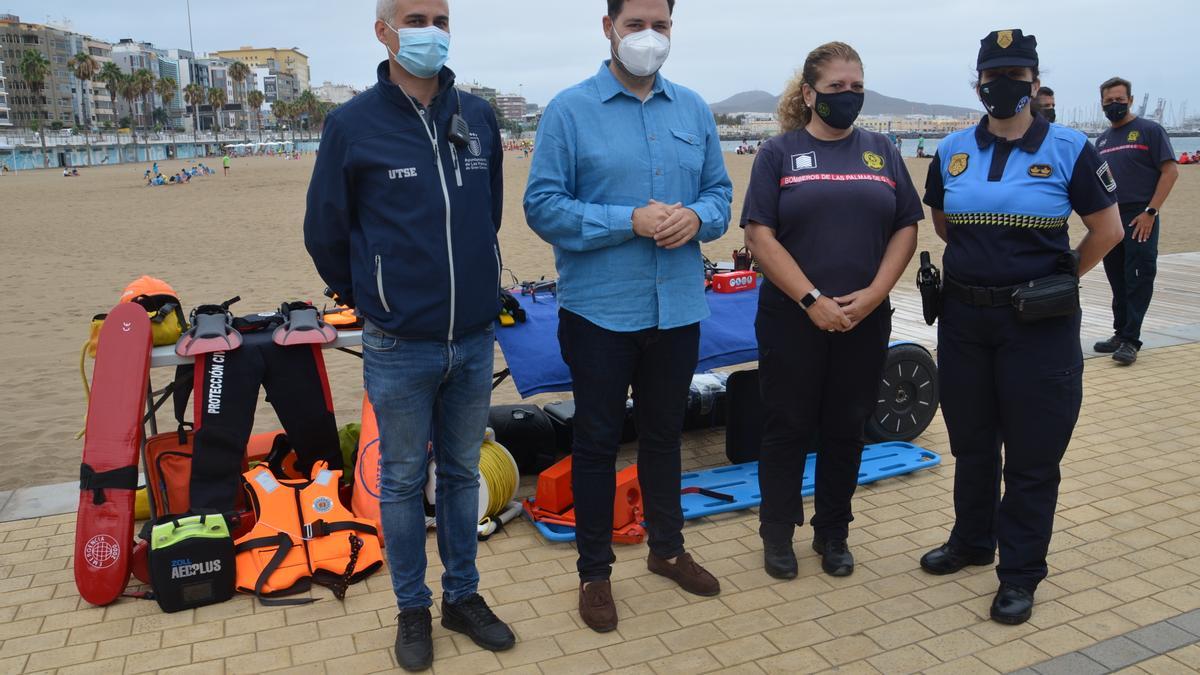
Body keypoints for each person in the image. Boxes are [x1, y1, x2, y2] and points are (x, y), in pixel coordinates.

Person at [303, 0, 513, 670]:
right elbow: (325, 230)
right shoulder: (351, 124)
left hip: (473, 336)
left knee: (457, 472)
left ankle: (463, 595)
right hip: (399, 341)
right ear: (384, 31)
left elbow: (489, 213)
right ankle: (412, 608)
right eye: (416, 16)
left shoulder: (477, 117)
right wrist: (374, 296)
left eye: (441, 18)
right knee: (398, 479)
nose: (431, 30)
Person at [524, 0, 732, 634]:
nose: (649, 36)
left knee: (666, 436)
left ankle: (668, 549)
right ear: (608, 27)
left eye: (660, 25)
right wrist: (626, 221)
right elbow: (542, 206)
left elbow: (721, 197)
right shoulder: (569, 110)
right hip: (599, 312)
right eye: (636, 23)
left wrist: (697, 218)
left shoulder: (694, 109)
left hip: (677, 308)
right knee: (595, 443)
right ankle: (594, 573)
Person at [919, 29, 1123, 625]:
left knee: (1033, 454)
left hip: (1038, 326)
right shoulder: (953, 147)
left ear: (1034, 81)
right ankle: (972, 542)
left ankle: (1021, 573)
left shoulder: (1069, 147)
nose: (1002, 85)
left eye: (1016, 75)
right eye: (992, 75)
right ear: (977, 80)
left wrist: (1059, 278)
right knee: (972, 442)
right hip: (963, 320)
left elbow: (1106, 229)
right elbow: (943, 221)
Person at [740, 42, 921, 581]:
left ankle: (833, 532)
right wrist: (811, 300)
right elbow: (759, 235)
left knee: (847, 427)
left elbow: (906, 227)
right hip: (792, 317)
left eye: (856, 88)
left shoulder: (882, 151)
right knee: (787, 426)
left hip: (864, 318)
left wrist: (873, 294)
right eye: (837, 87)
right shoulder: (778, 153)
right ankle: (777, 534)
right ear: (809, 93)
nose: (848, 97)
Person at [1092, 76, 1179, 365]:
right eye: (1108, 101)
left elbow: (1170, 172)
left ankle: (1131, 340)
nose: (1114, 105)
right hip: (1111, 217)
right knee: (1116, 277)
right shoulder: (1102, 140)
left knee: (1138, 277)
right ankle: (1120, 332)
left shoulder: (1149, 131)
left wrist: (1151, 212)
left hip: (1141, 215)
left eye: (1119, 100)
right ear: (1102, 103)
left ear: (1130, 100)